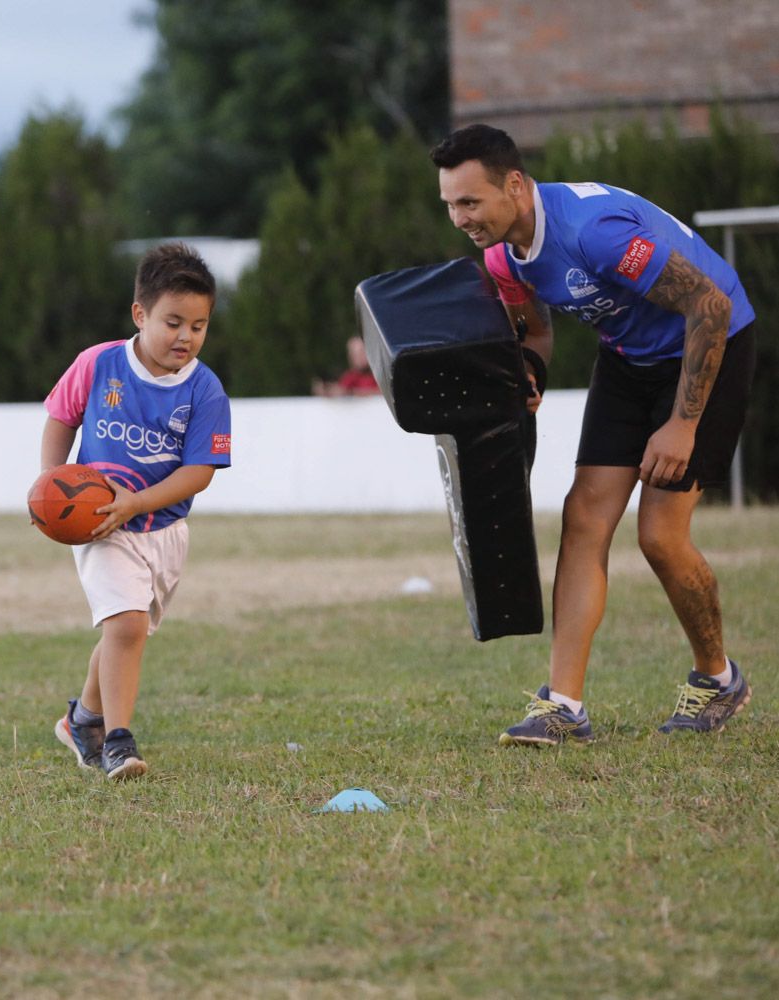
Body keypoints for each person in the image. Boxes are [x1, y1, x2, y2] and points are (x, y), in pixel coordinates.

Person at [430, 123, 756, 745]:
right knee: (583, 518)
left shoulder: (594, 235)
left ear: (516, 186)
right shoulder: (501, 255)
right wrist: (530, 371)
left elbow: (708, 306)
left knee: (660, 535)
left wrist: (682, 425)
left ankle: (719, 680)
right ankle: (563, 708)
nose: (459, 218)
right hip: (630, 358)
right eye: (449, 203)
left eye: (470, 202)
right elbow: (537, 332)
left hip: (709, 344)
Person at [41, 242, 232, 778]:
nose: (186, 337)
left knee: (126, 631)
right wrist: (50, 483)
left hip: (163, 528)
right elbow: (61, 417)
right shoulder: (99, 364)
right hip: (102, 524)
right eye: (173, 322)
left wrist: (140, 503)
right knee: (124, 625)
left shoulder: (205, 390)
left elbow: (200, 471)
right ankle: (118, 741)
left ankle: (82, 719)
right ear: (140, 314)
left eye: (199, 326)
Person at [312, 336, 380, 396]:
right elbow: (340, 391)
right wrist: (327, 391)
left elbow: (383, 394)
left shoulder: (379, 375)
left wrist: (351, 393)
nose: (357, 357)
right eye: (353, 353)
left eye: (361, 352)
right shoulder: (350, 377)